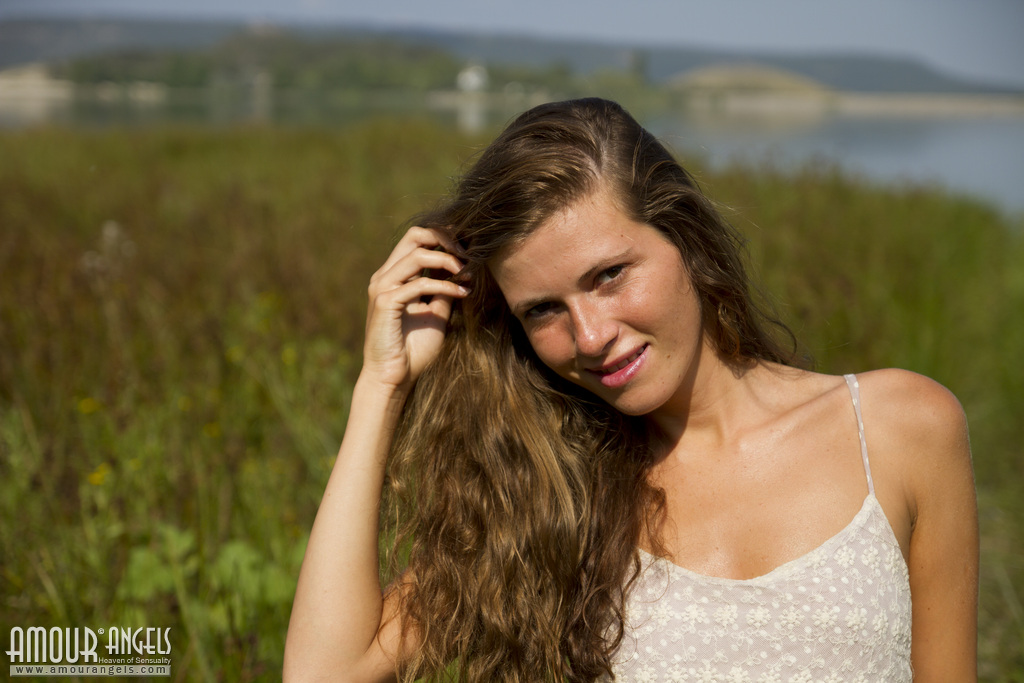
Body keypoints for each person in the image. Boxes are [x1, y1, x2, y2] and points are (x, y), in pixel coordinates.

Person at [284, 98, 978, 682]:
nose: (590, 336)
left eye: (609, 275)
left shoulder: (899, 429)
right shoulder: (552, 493)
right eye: (543, 310)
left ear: (685, 237)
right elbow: (323, 673)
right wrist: (382, 384)